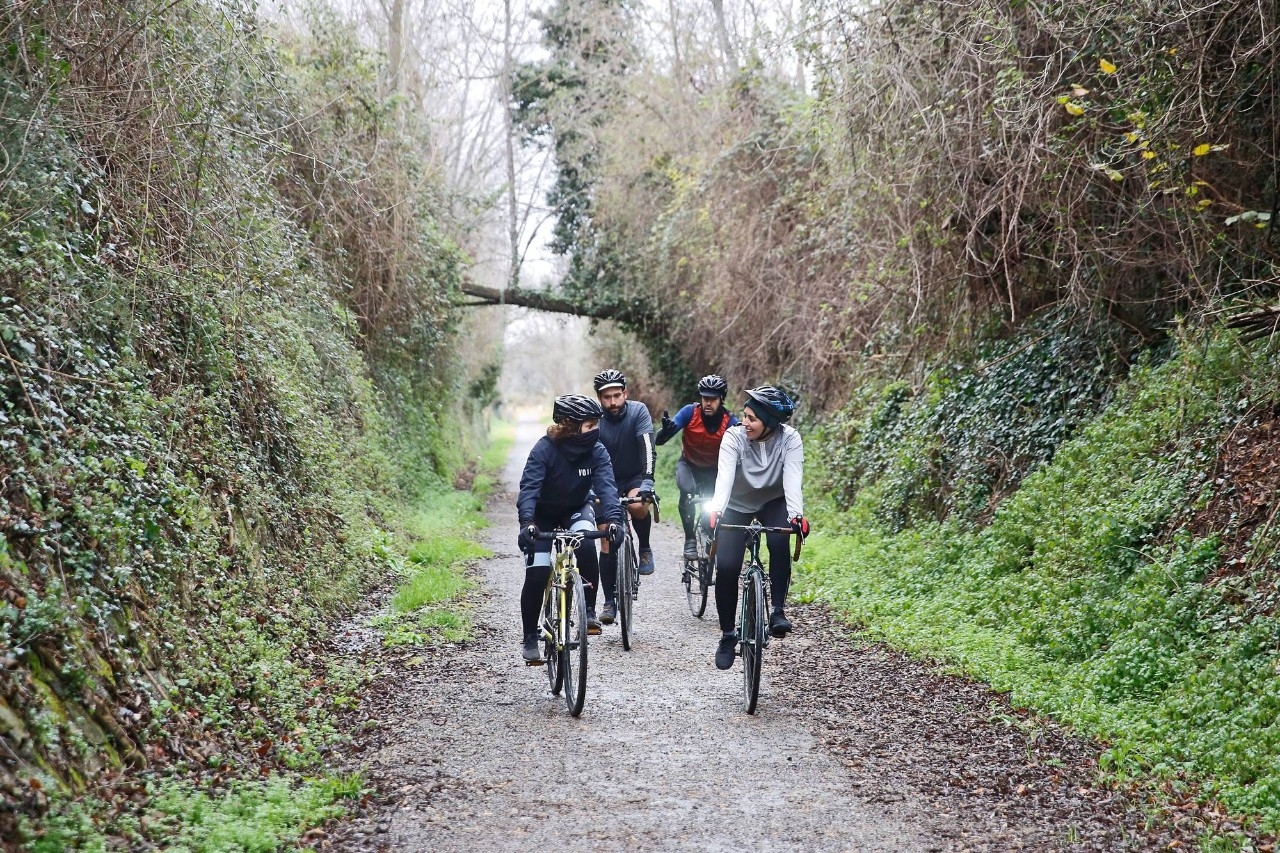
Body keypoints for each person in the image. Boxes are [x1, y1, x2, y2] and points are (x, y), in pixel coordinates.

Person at [706, 386, 810, 670]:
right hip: (737, 503)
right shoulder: (734, 437)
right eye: (745, 416)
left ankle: (777, 610)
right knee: (726, 566)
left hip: (773, 501)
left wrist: (796, 516)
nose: (745, 423)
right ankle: (728, 635)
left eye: (752, 418)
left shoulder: (790, 439)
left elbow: (792, 479)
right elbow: (724, 479)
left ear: (771, 422)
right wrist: (716, 510)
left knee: (779, 541)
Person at [516, 394, 625, 663]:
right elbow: (529, 489)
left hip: (575, 508)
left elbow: (607, 489)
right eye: (589, 426)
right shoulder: (544, 450)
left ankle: (588, 610)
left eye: (595, 425)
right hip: (542, 515)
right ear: (570, 426)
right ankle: (530, 635)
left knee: (586, 543)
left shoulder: (597, 451)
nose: (595, 431)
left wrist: (614, 521)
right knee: (538, 570)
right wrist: (526, 523)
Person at [592, 368, 656, 626]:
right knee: (606, 536)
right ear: (599, 398)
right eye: (607, 398)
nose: (613, 402)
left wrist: (648, 480)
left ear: (625, 394)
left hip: (633, 476)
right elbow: (585, 454)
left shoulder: (638, 411)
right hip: (604, 481)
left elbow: (648, 448)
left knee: (639, 505)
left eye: (617, 396)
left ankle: (644, 547)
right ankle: (609, 601)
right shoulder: (594, 418)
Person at [655, 374, 739, 560]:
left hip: (714, 471)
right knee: (687, 492)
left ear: (721, 399)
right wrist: (664, 432)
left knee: (713, 509)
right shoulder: (689, 412)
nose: (708, 403)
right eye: (705, 398)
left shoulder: (730, 422)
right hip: (689, 466)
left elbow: (742, 451)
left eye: (713, 399)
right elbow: (660, 441)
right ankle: (690, 539)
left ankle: (709, 533)